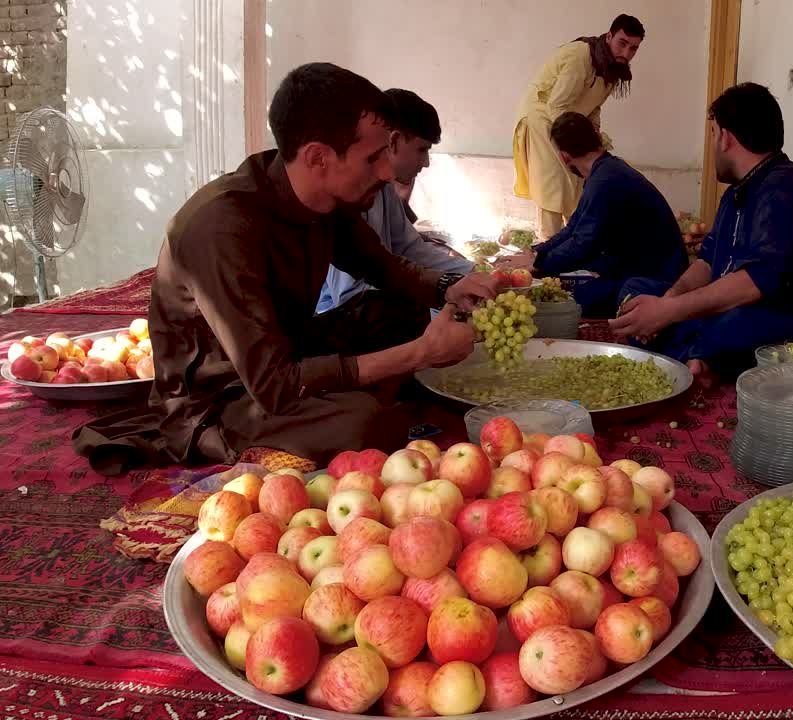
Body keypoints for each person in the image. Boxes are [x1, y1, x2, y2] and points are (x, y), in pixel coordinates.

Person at [72, 63, 502, 474]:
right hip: (223, 397)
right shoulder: (222, 227)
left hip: (291, 351)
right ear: (318, 157)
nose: (389, 172)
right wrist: (420, 353)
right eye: (373, 158)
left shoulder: (324, 200)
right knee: (363, 426)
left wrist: (449, 286)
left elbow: (383, 267)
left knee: (398, 310)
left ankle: (349, 398)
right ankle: (335, 411)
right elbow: (274, 383)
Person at [609, 82, 793, 381]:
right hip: (740, 311)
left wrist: (668, 312)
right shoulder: (738, 190)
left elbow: (754, 284)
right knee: (638, 289)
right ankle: (697, 358)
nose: (712, 144)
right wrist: (667, 302)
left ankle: (699, 358)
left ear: (725, 137)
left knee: (729, 324)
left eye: (712, 134)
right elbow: (708, 260)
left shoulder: (782, 189)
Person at [500, 112, 686, 318]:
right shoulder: (605, 172)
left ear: (563, 156)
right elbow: (574, 227)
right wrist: (536, 252)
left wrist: (538, 265)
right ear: (596, 136)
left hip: (655, 280)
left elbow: (583, 244)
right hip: (637, 269)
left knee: (569, 303)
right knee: (571, 290)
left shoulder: (605, 180)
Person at [317, 88, 473, 314]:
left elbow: (407, 249)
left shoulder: (384, 187)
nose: (426, 163)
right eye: (422, 150)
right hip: (343, 327)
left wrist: (471, 274)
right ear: (395, 141)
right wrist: (440, 304)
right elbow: (351, 296)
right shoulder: (343, 195)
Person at [513, 14, 644, 241]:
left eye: (633, 48)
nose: (626, 53)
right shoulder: (581, 56)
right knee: (554, 183)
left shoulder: (613, 68)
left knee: (579, 179)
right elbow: (557, 105)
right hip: (542, 118)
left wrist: (594, 136)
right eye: (622, 43)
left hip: (569, 121)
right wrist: (574, 141)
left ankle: (574, 244)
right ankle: (548, 247)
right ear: (609, 36)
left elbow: (593, 108)